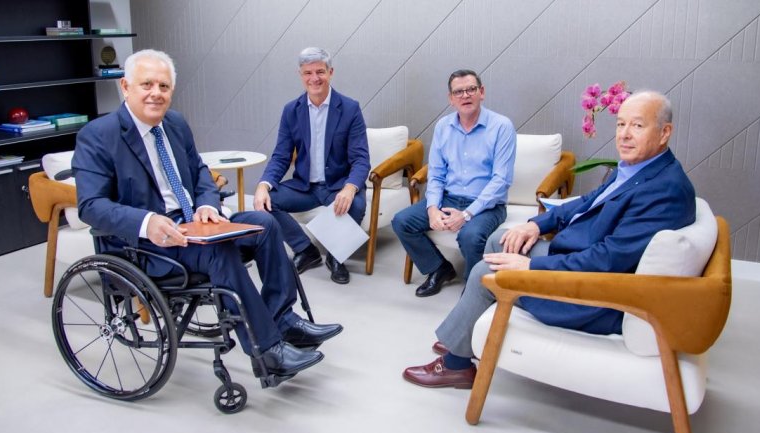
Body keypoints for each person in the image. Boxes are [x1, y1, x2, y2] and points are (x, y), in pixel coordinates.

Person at [72, 49, 343, 383]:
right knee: (219, 252)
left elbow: (200, 172)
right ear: (126, 87)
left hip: (194, 225)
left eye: (164, 86)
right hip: (147, 244)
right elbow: (91, 206)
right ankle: (267, 351)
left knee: (265, 224)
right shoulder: (99, 135)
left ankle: (283, 319)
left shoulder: (174, 123)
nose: (156, 93)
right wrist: (146, 222)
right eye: (147, 85)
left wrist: (207, 205)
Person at [403, 91, 696, 388]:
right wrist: (534, 225)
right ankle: (464, 332)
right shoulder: (637, 170)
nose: (624, 134)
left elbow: (608, 259)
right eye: (621, 124)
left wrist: (530, 267)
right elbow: (585, 202)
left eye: (637, 125)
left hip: (594, 295)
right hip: (580, 262)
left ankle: (456, 365)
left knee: (486, 272)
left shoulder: (664, 190)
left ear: (664, 132)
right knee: (502, 239)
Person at [392, 69, 516, 297]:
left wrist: (466, 214)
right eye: (458, 92)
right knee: (402, 221)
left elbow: (501, 180)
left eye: (471, 89)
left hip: (487, 205)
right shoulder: (443, 126)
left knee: (470, 236)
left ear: (481, 92)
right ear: (451, 98)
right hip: (449, 197)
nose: (465, 95)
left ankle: (474, 288)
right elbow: (436, 174)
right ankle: (439, 269)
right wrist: (432, 208)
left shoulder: (501, 126)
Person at [253, 47, 371, 285]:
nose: (314, 78)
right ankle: (306, 250)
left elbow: (361, 158)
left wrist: (350, 188)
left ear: (330, 72)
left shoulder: (349, 108)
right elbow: (281, 156)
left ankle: (336, 258)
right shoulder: (291, 110)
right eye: (308, 73)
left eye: (320, 72)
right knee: (265, 202)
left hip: (337, 185)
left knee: (357, 204)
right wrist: (263, 185)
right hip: (304, 187)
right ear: (301, 75)